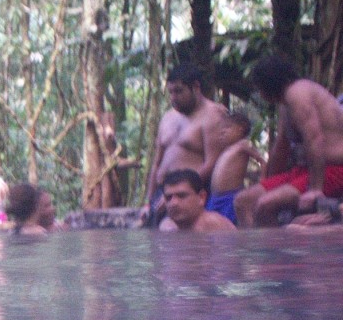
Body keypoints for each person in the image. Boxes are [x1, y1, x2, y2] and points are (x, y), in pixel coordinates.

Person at [234, 56, 343, 227]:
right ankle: (255, 250)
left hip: (334, 170)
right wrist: (270, 182)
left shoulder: (298, 93)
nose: (260, 95)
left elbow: (315, 139)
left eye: (260, 89)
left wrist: (315, 189)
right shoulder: (285, 103)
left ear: (268, 84)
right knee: (243, 201)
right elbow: (280, 149)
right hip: (302, 171)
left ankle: (275, 250)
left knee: (265, 204)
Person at [144, 63, 229, 226]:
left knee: (172, 235)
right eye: (170, 92)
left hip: (187, 193)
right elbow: (156, 164)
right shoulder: (167, 118)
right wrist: (149, 202)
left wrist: (178, 191)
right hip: (162, 193)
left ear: (196, 87)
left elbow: (212, 162)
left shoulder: (213, 115)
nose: (173, 98)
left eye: (179, 91)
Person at [204, 112, 267, 226]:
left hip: (230, 197)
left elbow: (262, 161)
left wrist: (262, 183)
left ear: (240, 130)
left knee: (228, 226)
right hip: (214, 197)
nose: (222, 132)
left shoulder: (243, 145)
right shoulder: (226, 149)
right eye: (221, 130)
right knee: (210, 226)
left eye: (227, 127)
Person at [157, 168, 235, 232]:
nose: (173, 203)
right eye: (168, 198)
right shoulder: (166, 225)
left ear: (201, 197)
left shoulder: (214, 226)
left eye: (182, 196)